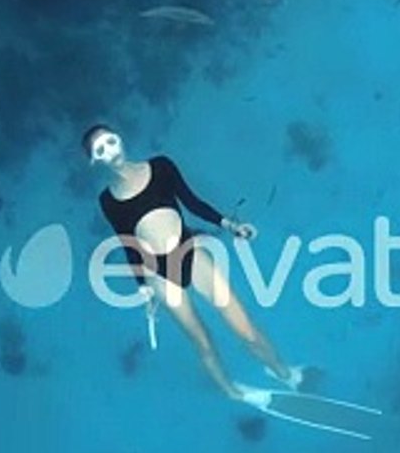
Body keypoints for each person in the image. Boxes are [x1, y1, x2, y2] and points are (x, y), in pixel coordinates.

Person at [84, 123, 306, 401]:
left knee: (245, 329)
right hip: (160, 276)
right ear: (95, 161)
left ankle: (284, 373)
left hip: (190, 252)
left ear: (120, 140)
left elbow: (192, 202)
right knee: (204, 343)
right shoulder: (107, 201)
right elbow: (129, 244)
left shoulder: (161, 167)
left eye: (111, 141)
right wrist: (145, 290)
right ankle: (232, 392)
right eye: (101, 149)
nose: (110, 150)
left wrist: (230, 225)